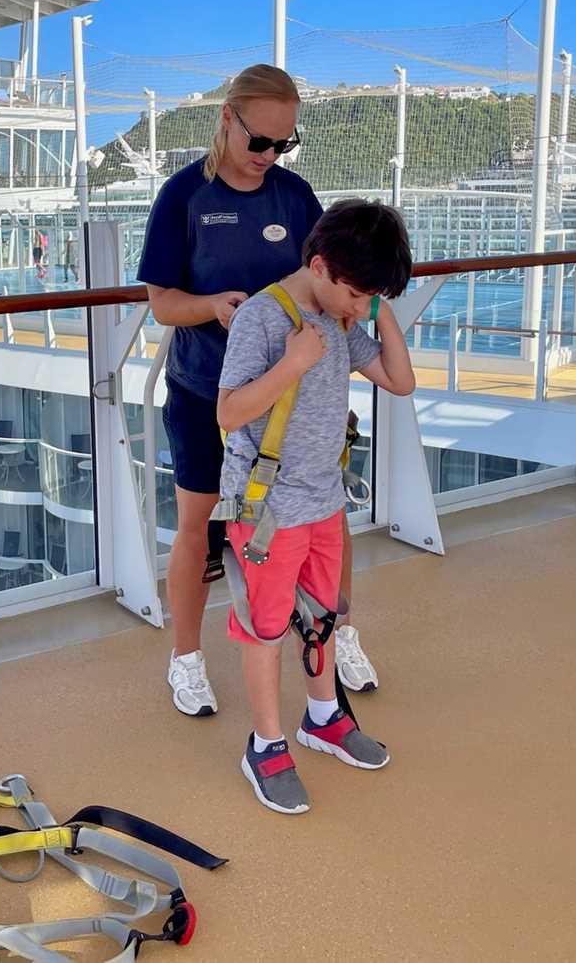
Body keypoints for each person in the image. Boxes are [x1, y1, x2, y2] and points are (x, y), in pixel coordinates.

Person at [137, 64, 380, 717]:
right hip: (205, 394)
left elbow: (334, 282)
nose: (269, 158)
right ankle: (185, 659)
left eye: (284, 145)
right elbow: (162, 303)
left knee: (328, 516)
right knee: (199, 527)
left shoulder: (296, 197)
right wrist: (213, 305)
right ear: (227, 119)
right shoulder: (183, 196)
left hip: (299, 399)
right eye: (259, 143)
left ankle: (339, 631)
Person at [220, 199, 414, 814]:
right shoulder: (262, 318)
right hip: (268, 509)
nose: (360, 308)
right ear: (322, 265)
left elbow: (400, 381)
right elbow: (228, 412)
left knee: (324, 615)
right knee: (266, 626)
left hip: (324, 500)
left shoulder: (342, 317)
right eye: (357, 293)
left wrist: (380, 313)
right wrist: (294, 363)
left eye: (370, 297)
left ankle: (324, 717)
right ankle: (266, 743)